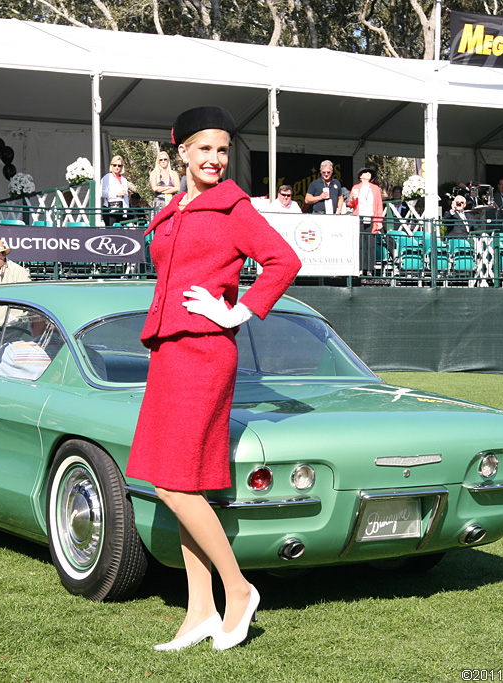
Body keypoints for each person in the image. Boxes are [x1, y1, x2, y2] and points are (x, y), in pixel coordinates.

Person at [127, 106, 300, 652]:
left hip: (203, 354)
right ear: (181, 152)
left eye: (223, 150)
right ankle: (199, 610)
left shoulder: (233, 206)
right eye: (204, 149)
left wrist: (236, 311)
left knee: (176, 483)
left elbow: (283, 260)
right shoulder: (173, 208)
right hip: (168, 350)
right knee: (174, 480)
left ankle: (238, 589)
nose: (215, 159)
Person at [347, 167, 385, 275]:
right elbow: (350, 204)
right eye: (365, 172)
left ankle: (369, 269)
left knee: (371, 244)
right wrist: (353, 199)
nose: (368, 174)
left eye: (369, 173)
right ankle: (360, 268)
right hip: (359, 218)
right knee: (360, 244)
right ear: (360, 176)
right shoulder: (356, 187)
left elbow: (379, 204)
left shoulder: (375, 188)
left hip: (371, 218)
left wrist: (379, 220)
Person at [100, 155, 130, 226]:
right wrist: (117, 194)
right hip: (110, 208)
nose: (117, 167)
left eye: (119, 166)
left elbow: (126, 196)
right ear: (111, 166)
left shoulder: (124, 179)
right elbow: (102, 193)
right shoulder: (107, 177)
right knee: (111, 231)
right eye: (115, 165)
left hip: (122, 209)